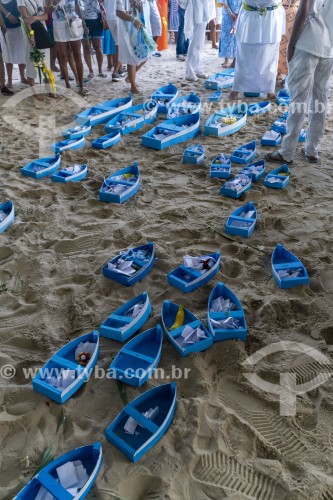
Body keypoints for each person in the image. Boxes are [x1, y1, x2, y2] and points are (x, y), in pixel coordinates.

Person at [266, 0, 333, 164]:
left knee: (298, 100)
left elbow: (303, 12)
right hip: (329, 49)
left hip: (307, 45)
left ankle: (287, 152)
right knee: (320, 99)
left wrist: (290, 45)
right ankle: (312, 150)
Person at [229, 0, 286, 99]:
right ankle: (236, 90)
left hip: (271, 16)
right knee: (244, 56)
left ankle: (269, 90)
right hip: (250, 15)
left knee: (270, 55)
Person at [47, 0, 88, 95]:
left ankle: (81, 85)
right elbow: (49, 10)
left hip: (74, 23)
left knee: (77, 55)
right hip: (59, 25)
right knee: (63, 56)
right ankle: (67, 86)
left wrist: (83, 23)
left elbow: (77, 6)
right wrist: (55, 2)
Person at [18, 0, 56, 98]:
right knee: (32, 60)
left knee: (45, 60)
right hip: (29, 32)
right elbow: (25, 18)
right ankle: (34, 91)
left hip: (41, 29)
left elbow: (46, 16)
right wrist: (31, 34)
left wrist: (35, 17)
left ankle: (49, 89)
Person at [116, 0, 152, 94]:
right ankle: (133, 86)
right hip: (128, 27)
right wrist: (132, 20)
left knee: (148, 53)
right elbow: (118, 12)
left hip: (140, 24)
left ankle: (130, 77)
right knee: (131, 56)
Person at [184, 0, 215, 81]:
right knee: (194, 42)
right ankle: (189, 72)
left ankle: (198, 69)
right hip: (195, 8)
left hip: (205, 9)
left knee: (200, 43)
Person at [0, 0, 28, 88]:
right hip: (6, 25)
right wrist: (8, 14)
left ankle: (23, 76)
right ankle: (9, 79)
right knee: (8, 53)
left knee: (22, 50)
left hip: (20, 23)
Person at [81, 0, 107, 78]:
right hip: (83, 21)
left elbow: (103, 5)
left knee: (98, 47)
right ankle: (90, 70)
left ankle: (100, 70)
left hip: (97, 21)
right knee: (86, 48)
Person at [277, 0, 299, 82]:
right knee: (279, 44)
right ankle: (278, 72)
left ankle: (287, 74)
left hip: (293, 14)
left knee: (288, 45)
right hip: (280, 12)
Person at [218, 0, 241, 67]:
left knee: (237, 37)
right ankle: (226, 60)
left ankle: (235, 60)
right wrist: (231, 14)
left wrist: (238, 15)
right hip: (227, 14)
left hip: (239, 13)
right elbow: (224, 3)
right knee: (226, 37)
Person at [105, 0, 122, 81]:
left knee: (118, 44)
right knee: (120, 45)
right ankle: (115, 72)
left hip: (110, 16)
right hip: (118, 16)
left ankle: (119, 69)